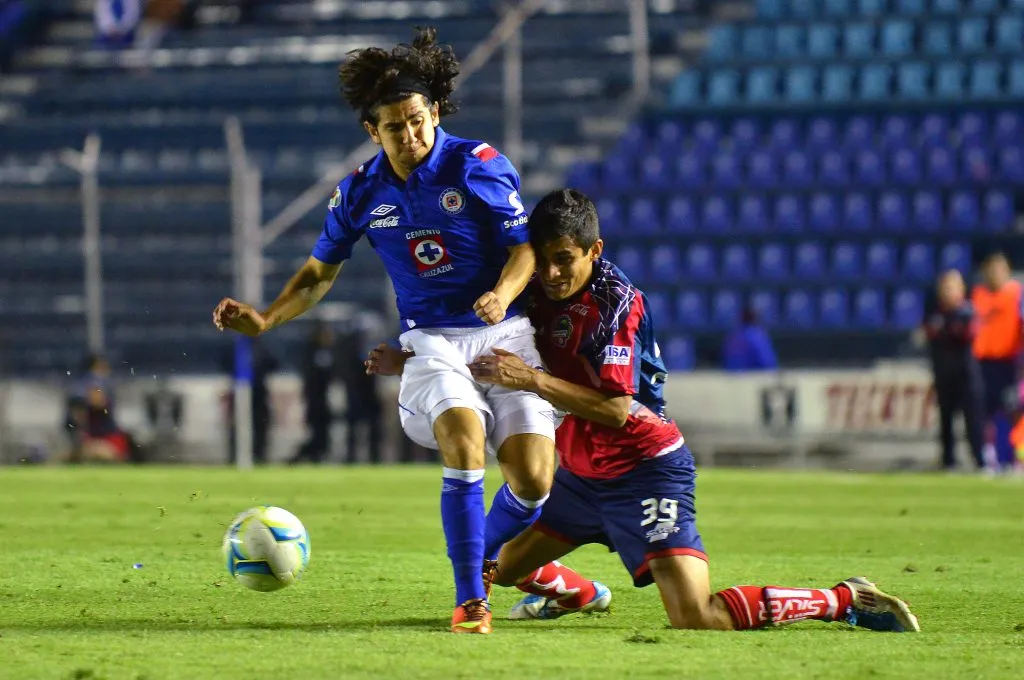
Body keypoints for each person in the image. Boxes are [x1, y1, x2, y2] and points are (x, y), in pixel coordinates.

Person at [367, 188, 920, 634]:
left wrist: (530, 379)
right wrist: (411, 357)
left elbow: (614, 410)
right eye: (546, 261)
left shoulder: (616, 306)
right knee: (497, 569)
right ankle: (584, 596)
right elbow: (466, 338)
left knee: (695, 616)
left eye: (566, 261)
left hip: (642, 469)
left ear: (594, 251)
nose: (553, 274)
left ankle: (844, 598)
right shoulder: (528, 290)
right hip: (579, 476)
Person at [212, 27, 557, 634]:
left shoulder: (476, 165)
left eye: (418, 120)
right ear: (374, 131)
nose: (411, 134)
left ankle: (499, 562)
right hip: (432, 342)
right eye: (395, 126)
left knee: (533, 482)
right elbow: (320, 273)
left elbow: (524, 250)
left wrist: (501, 294)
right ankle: (470, 595)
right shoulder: (359, 192)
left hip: (505, 334)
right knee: (464, 434)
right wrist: (266, 318)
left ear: (435, 113)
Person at [921, 270, 985, 472]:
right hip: (943, 373)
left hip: (966, 373)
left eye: (952, 287)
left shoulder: (968, 312)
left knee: (973, 419)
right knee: (945, 419)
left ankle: (980, 460)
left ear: (961, 290)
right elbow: (928, 334)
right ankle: (948, 460)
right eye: (945, 288)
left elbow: (969, 334)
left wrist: (948, 331)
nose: (948, 292)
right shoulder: (934, 313)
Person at [971, 252, 1023, 471]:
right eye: (991, 270)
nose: (995, 274)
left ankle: (1012, 457)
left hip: (1008, 361)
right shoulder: (977, 295)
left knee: (1010, 408)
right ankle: (988, 458)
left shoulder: (1017, 295)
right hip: (981, 363)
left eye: (999, 269)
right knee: (982, 411)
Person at [290, 321, 339, 465]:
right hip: (314, 399)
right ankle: (305, 456)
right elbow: (311, 376)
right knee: (317, 433)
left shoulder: (331, 352)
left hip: (324, 399)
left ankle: (315, 456)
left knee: (323, 433)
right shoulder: (311, 352)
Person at [721, 306, 778, 372]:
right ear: (755, 319)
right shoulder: (757, 336)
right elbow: (768, 364)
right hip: (752, 377)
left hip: (729, 376)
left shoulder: (732, 336)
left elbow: (723, 361)